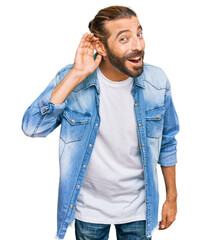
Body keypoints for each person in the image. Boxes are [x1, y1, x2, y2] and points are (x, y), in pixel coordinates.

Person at [22, 5, 179, 240]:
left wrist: (172, 198)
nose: (137, 45)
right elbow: (32, 128)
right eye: (124, 38)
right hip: (89, 209)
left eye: (139, 34)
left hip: (139, 208)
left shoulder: (157, 81)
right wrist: (76, 74)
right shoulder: (73, 80)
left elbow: (167, 142)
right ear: (101, 47)